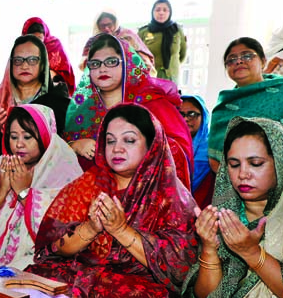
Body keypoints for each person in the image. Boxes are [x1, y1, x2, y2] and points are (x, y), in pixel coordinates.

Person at [27, 104, 198, 298]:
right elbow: (53, 250)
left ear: (151, 145)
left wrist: (120, 230)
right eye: (110, 141)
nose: (117, 148)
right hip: (83, 278)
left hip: (139, 288)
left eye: (129, 140)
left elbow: (179, 269)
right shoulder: (89, 184)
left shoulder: (170, 194)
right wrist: (91, 228)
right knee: (34, 290)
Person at [138, 117, 283, 298]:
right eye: (234, 165)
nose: (243, 174)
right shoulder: (225, 217)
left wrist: (252, 254)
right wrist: (209, 250)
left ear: (282, 164)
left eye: (256, 163)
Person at [64, 33, 193, 189]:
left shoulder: (153, 104)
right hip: (90, 198)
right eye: (95, 64)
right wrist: (73, 146)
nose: (102, 68)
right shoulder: (83, 111)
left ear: (127, 63)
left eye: (111, 62)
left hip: (144, 195)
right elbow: (57, 158)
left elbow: (179, 151)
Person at [0, 104, 82, 269]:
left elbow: (59, 230)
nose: (19, 144)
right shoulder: (1, 166)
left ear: (45, 136)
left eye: (27, 137)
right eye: (13, 137)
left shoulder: (64, 170)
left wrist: (23, 192)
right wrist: (2, 190)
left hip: (42, 256)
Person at [208, 37, 283, 173]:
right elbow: (215, 159)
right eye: (231, 59)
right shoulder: (224, 106)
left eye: (247, 56)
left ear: (263, 61)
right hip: (236, 184)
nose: (239, 61)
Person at [0, 35, 71, 157]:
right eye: (18, 60)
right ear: (11, 65)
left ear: (43, 65)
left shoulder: (58, 103)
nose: (24, 66)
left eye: (32, 60)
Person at [80, 9, 155, 74]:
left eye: (109, 25)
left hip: (128, 79)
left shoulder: (128, 36)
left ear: (115, 23)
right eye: (103, 26)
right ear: (98, 26)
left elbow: (145, 61)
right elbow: (84, 65)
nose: (106, 29)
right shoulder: (93, 41)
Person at [21, 17, 76, 96]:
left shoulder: (54, 45)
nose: (37, 42)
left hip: (53, 87)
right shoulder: (21, 48)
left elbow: (63, 71)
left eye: (40, 38)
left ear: (45, 35)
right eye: (33, 38)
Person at [138, 0, 187, 83]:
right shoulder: (143, 32)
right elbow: (137, 55)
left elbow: (182, 54)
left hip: (171, 77)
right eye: (158, 10)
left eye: (165, 10)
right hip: (149, 77)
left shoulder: (177, 30)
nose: (161, 13)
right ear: (153, 12)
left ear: (170, 12)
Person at [180, 95, 214, 208]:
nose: (186, 119)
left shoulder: (213, 146)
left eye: (192, 114)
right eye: (180, 114)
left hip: (206, 209)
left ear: (203, 116)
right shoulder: (168, 145)